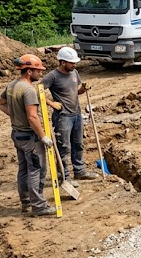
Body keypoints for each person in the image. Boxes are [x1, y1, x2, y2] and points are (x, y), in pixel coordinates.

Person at [0, 55, 57, 216]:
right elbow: (32, 117)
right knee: (36, 170)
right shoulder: (28, 90)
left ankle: (26, 202)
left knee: (23, 169)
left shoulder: (12, 85)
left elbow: (1, 102)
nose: (40, 74)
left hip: (17, 135)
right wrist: (43, 136)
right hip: (30, 137)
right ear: (29, 71)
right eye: (38, 71)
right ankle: (38, 206)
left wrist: (15, 117)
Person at [41, 47, 99, 185]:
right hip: (63, 117)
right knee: (64, 147)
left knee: (78, 144)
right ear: (62, 62)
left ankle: (79, 171)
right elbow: (38, 92)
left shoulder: (74, 73)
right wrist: (51, 103)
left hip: (76, 114)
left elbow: (76, 91)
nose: (75, 65)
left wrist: (83, 89)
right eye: (72, 63)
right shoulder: (52, 76)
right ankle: (64, 177)